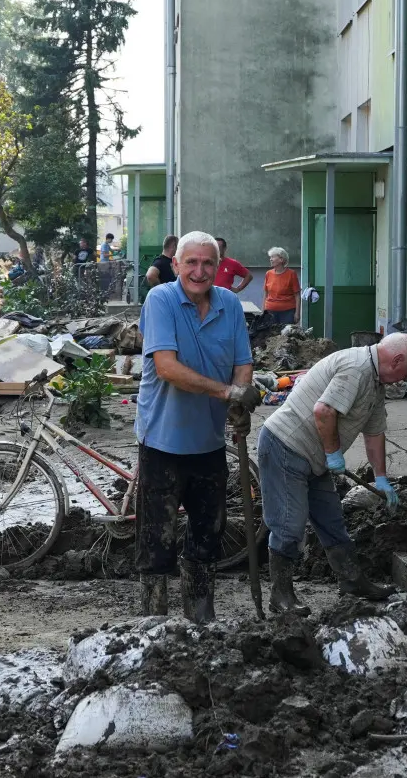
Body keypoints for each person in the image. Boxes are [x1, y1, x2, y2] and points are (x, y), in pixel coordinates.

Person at [135, 230, 259, 623]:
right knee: (158, 541)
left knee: (208, 534)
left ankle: (201, 619)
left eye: (208, 263)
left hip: (208, 442)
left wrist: (241, 396)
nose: (200, 271)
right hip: (163, 441)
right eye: (191, 262)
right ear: (176, 265)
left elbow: (243, 361)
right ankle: (153, 626)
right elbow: (166, 367)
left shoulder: (230, 305)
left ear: (218, 266)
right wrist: (227, 394)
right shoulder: (161, 300)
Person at [258, 334, 407, 613]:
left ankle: (352, 581)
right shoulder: (356, 368)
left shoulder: (375, 381)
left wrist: (381, 478)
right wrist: (334, 454)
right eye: (405, 373)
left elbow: (375, 431)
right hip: (286, 447)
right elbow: (323, 411)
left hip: (315, 456)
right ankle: (280, 595)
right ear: (395, 361)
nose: (402, 381)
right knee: (289, 525)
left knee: (332, 520)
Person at [263, 247, 301, 326]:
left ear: (281, 259)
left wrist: (297, 313)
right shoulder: (268, 274)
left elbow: (297, 295)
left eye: (273, 257)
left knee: (286, 336)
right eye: (270, 257)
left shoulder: (291, 274)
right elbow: (265, 293)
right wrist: (263, 310)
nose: (270, 259)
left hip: (287, 312)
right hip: (270, 311)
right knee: (270, 336)